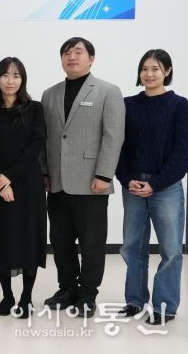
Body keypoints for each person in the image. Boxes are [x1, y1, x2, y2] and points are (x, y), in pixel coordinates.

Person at [41, 37, 125, 318]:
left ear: (91, 58)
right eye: (67, 53)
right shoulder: (49, 94)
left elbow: (113, 137)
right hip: (56, 182)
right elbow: (45, 139)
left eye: (78, 52)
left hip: (92, 182)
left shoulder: (108, 91)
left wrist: (104, 174)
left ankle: (88, 294)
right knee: (61, 241)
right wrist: (44, 172)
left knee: (92, 244)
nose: (72, 57)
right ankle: (67, 289)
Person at [116, 49, 188, 325]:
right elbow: (119, 148)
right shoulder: (127, 104)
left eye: (155, 69)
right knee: (132, 247)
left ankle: (164, 307)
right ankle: (135, 300)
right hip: (133, 186)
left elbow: (182, 153)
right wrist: (126, 179)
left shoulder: (180, 105)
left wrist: (156, 183)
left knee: (170, 250)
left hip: (166, 187)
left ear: (167, 71)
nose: (149, 74)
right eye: (144, 68)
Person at [0, 57, 47, 319]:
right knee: (3, 239)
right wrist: (0, 180)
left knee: (30, 238)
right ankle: (7, 295)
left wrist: (8, 177)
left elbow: (36, 145)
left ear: (23, 80)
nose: (10, 81)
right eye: (5, 75)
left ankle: (26, 297)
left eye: (16, 75)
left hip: (29, 184)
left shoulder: (35, 108)